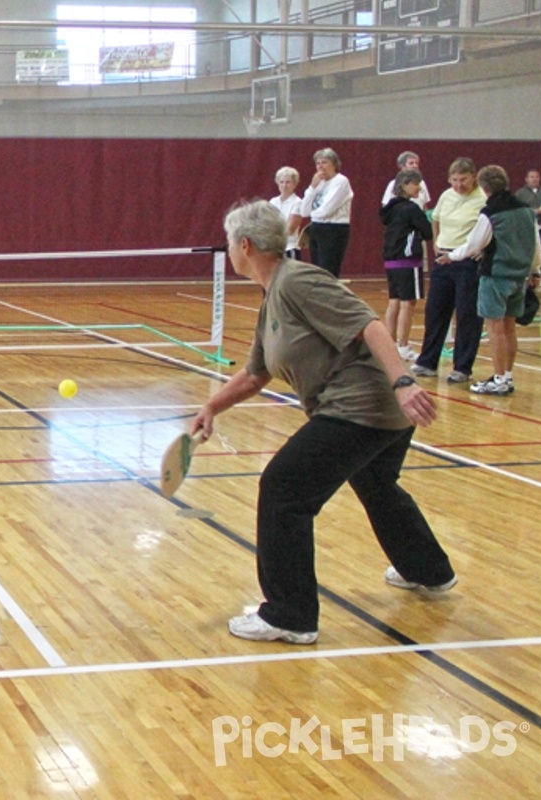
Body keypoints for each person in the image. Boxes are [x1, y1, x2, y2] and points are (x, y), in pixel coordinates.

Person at [193, 199, 456, 645]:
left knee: (283, 490)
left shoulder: (299, 281)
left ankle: (290, 615)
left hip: (361, 407)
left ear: (245, 246)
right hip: (378, 413)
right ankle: (429, 571)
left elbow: (370, 326)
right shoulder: (271, 298)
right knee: (375, 483)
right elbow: (257, 373)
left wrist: (404, 382)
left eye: (230, 243)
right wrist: (212, 406)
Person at [438, 166, 541, 396]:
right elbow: (535, 244)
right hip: (519, 278)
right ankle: (507, 375)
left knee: (495, 328)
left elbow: (475, 245)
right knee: (509, 327)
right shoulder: (526, 210)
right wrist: (536, 271)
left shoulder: (490, 212)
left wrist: (452, 255)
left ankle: (498, 379)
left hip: (496, 276)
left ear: (484, 188)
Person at [412, 158, 487, 385]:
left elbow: (488, 228)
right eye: (454, 180)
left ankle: (462, 367)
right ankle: (427, 362)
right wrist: (436, 241)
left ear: (474, 176)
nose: (458, 185)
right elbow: (435, 219)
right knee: (435, 311)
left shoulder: (482, 199)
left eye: (463, 179)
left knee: (467, 314)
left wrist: (480, 249)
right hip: (443, 259)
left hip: (468, 261)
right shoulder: (446, 195)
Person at [380, 169, 432, 361]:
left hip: (391, 260)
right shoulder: (411, 209)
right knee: (408, 303)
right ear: (404, 185)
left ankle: (389, 344)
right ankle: (403, 345)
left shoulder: (390, 209)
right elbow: (427, 233)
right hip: (408, 260)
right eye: (415, 183)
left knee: (394, 301)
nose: (419, 187)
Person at [299, 148, 353, 278]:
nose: (320, 166)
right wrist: (312, 187)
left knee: (328, 270)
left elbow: (326, 210)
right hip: (317, 227)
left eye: (324, 162)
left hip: (333, 228)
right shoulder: (319, 183)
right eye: (318, 163)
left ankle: (330, 297)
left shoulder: (341, 181)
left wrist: (313, 214)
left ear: (334, 164)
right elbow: (303, 211)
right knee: (317, 270)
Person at [515, 169, 541, 284]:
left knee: (540, 250)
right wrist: (532, 211)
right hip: (527, 225)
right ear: (526, 179)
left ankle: (540, 275)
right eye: (532, 177)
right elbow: (517, 208)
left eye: (537, 177)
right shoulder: (520, 193)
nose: (534, 179)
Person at [269, 166, 303, 260]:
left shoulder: (298, 202)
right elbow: (267, 223)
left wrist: (271, 232)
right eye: (281, 182)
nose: (284, 185)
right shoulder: (273, 202)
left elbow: (290, 229)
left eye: (288, 182)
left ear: (295, 184)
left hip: (289, 247)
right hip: (274, 248)